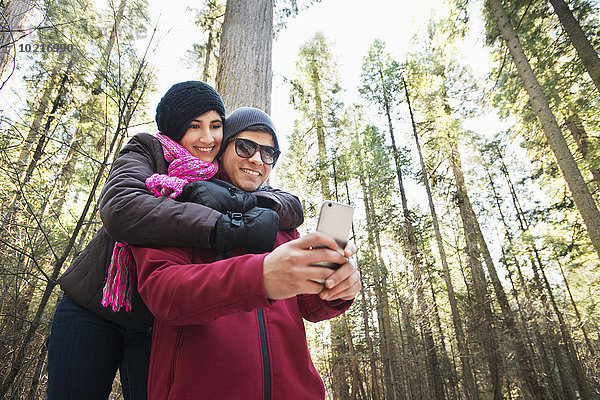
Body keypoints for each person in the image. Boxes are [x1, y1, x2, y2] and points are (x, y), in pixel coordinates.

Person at [46, 82, 303, 400]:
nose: (207, 138)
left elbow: (286, 203)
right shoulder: (149, 150)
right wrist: (223, 226)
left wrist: (259, 206)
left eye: (216, 126)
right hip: (93, 307)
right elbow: (121, 208)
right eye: (194, 126)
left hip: (153, 326)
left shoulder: (218, 175)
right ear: (174, 126)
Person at [132, 107, 362, 400]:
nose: (257, 159)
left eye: (268, 153)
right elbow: (163, 291)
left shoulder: (280, 223)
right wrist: (259, 277)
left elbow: (309, 305)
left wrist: (337, 287)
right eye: (245, 146)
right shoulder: (178, 206)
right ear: (222, 147)